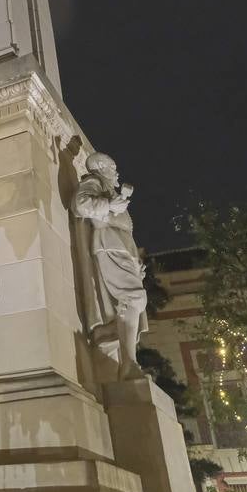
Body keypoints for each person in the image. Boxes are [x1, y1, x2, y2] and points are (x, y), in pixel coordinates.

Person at [71, 151, 149, 380]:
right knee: (134, 299)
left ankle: (103, 336)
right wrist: (109, 204)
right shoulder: (94, 181)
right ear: (100, 167)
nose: (116, 172)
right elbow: (80, 204)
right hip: (109, 244)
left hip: (121, 247)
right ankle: (128, 364)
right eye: (112, 167)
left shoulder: (107, 187)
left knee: (132, 304)